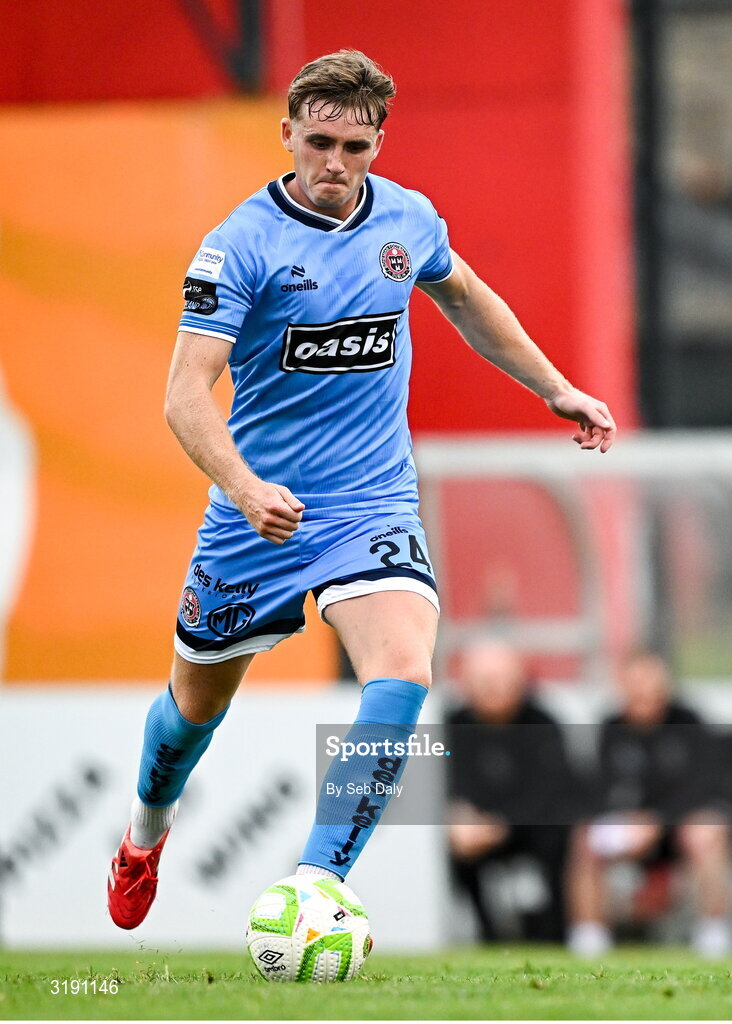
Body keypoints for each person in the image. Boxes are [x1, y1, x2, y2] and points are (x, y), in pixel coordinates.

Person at [107, 49, 616, 929]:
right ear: (288, 136)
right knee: (193, 712)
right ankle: (146, 829)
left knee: (405, 667)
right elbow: (184, 393)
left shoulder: (408, 220)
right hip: (255, 512)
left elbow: (465, 298)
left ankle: (316, 882)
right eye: (318, 143)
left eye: (354, 146)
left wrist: (554, 386)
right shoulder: (239, 246)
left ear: (378, 141)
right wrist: (242, 483)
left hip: (369, 501)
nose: (335, 165)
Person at [566, 650, 731, 957]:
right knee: (585, 837)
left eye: (653, 686)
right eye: (637, 686)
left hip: (678, 826)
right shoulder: (611, 728)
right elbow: (598, 790)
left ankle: (713, 932)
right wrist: (626, 822)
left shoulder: (689, 723)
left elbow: (704, 787)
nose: (646, 695)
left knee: (708, 831)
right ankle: (589, 935)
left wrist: (657, 821)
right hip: (633, 827)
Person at [447, 641, 577, 941]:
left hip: (535, 828)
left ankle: (554, 935)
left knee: (559, 840)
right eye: (483, 682)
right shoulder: (454, 725)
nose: (492, 690)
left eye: (500, 680)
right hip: (477, 828)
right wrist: (461, 814)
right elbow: (450, 781)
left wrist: (501, 826)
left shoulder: (543, 722)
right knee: (455, 847)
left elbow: (553, 791)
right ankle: (488, 933)